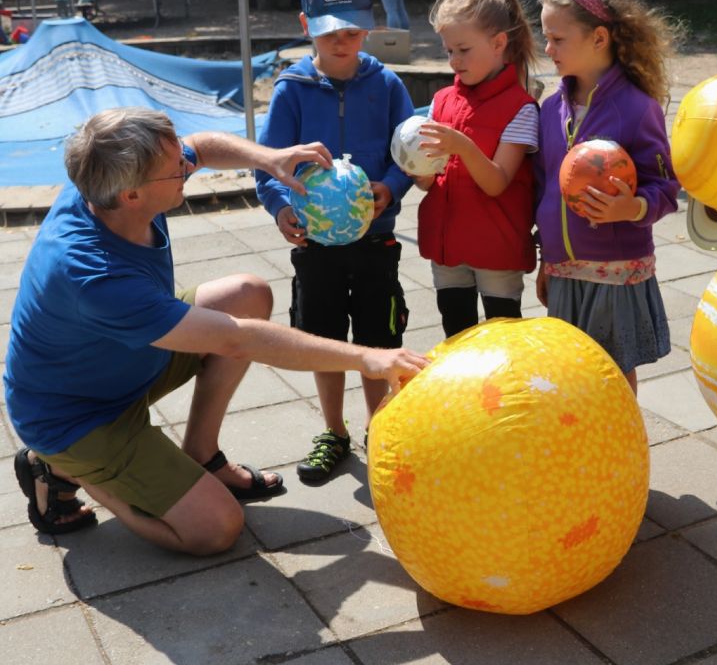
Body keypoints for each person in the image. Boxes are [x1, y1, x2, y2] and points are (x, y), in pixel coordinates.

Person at [5, 107, 429, 555]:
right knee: (215, 529)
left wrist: (270, 158)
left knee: (247, 293)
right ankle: (66, 473)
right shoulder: (93, 276)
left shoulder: (108, 182)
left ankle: (201, 454)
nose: (188, 168)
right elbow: (236, 339)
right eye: (176, 172)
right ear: (131, 196)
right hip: (76, 419)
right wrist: (367, 357)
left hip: (121, 360)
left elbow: (202, 147)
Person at [256, 0, 416, 484]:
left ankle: (379, 428)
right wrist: (282, 208)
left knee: (375, 340)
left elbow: (407, 151)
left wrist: (389, 187)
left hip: (376, 242)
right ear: (306, 28)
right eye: (328, 33)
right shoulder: (292, 89)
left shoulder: (387, 84)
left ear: (368, 25)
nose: (341, 42)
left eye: (351, 30)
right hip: (317, 250)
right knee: (324, 339)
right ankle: (334, 432)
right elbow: (269, 165)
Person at [535, 0, 682, 394]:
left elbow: (666, 188)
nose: (548, 48)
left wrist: (631, 208)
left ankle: (620, 455)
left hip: (615, 270)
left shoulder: (638, 108)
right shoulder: (549, 110)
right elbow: (546, 187)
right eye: (546, 37)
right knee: (570, 374)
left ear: (599, 39)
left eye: (558, 39)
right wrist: (547, 257)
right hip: (564, 269)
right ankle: (583, 453)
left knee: (612, 376)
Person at [411, 0, 538, 337]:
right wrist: (417, 171)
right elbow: (430, 179)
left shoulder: (522, 109)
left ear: (499, 44)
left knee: (502, 342)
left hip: (496, 250)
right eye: (448, 50)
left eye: (463, 49)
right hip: (447, 247)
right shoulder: (441, 100)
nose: (454, 60)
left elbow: (497, 182)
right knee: (456, 337)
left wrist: (463, 147)